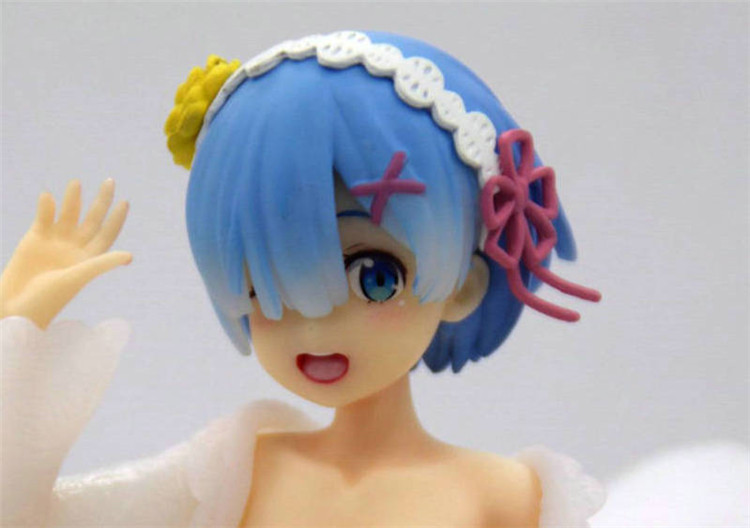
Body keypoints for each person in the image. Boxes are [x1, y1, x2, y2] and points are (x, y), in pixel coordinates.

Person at [1, 30, 605, 527]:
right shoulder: (233, 473)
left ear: (463, 285)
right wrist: (15, 324)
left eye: (375, 278)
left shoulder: (507, 497)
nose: (314, 321)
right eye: (266, 286)